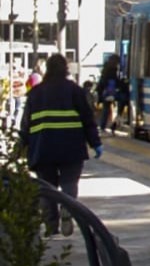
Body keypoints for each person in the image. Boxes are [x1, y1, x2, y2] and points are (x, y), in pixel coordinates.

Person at [20, 54, 101, 237]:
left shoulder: (36, 92)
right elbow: (88, 119)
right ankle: (68, 208)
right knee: (69, 183)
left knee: (47, 187)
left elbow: (26, 123)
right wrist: (95, 143)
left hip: (43, 147)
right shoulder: (75, 91)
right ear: (66, 69)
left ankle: (51, 225)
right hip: (71, 147)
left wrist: (22, 144)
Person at [98, 54, 128, 135]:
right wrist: (123, 84)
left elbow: (103, 83)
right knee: (123, 99)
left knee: (106, 109)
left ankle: (103, 127)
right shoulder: (112, 69)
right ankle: (116, 121)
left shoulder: (105, 68)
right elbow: (114, 81)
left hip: (106, 93)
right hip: (110, 93)